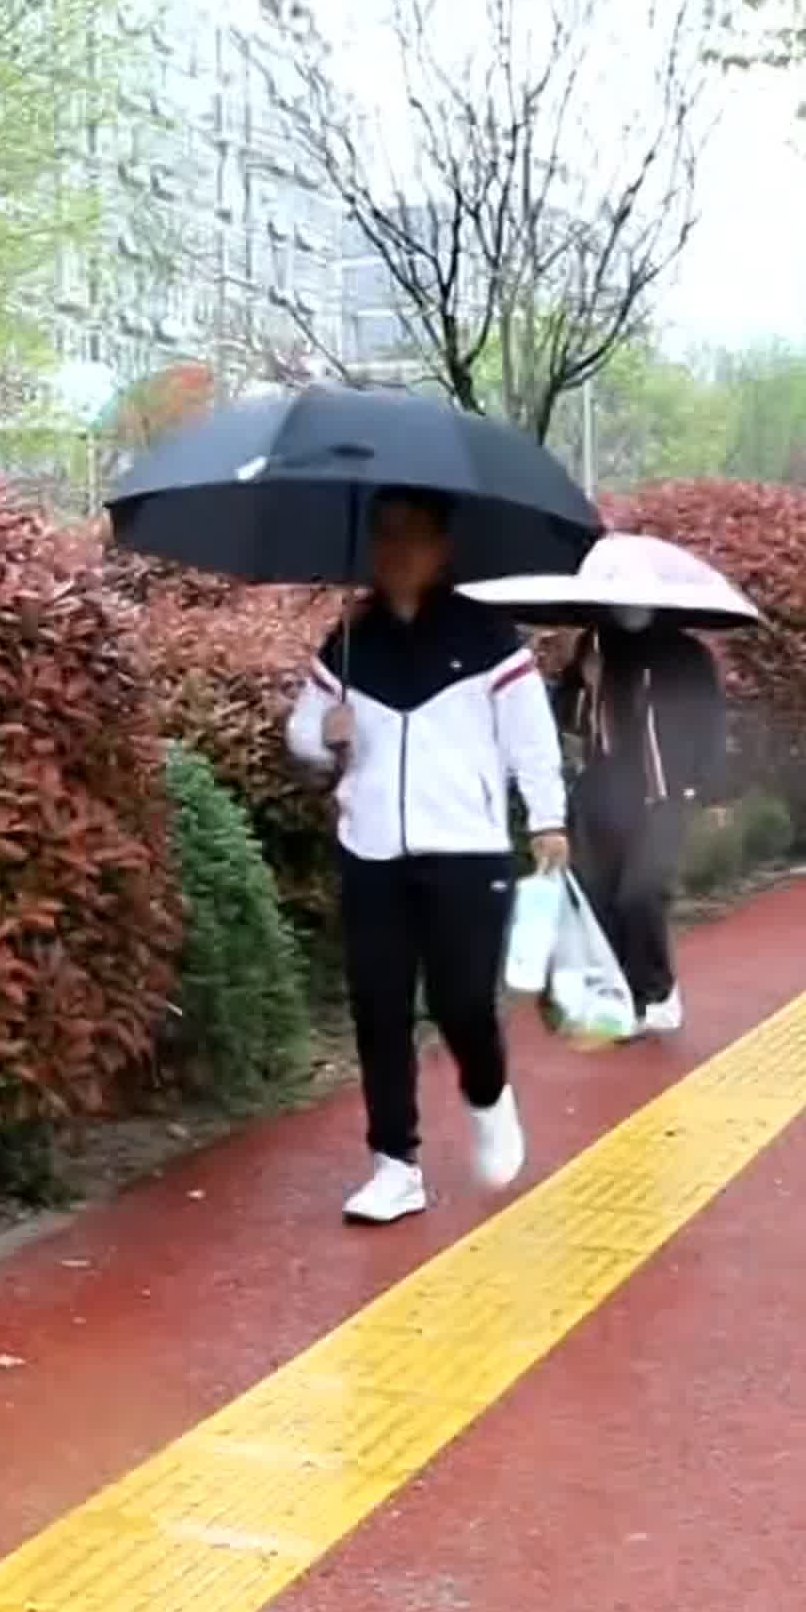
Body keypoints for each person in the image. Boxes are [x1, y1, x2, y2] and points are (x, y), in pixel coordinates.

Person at [286, 488, 570, 1227]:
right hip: (369, 849)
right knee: (378, 1007)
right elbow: (301, 734)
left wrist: (547, 820)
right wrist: (327, 735)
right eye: (384, 535)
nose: (396, 550)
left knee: (462, 1005)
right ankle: (394, 1164)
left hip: (466, 853)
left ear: (443, 547)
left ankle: (488, 1096)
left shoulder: (487, 639)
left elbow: (531, 739)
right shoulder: (350, 643)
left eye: (413, 536)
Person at [550, 607, 726, 1037]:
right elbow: (566, 719)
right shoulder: (594, 647)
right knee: (599, 897)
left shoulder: (686, 654)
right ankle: (625, 996)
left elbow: (710, 725)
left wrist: (711, 791)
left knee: (640, 894)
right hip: (602, 797)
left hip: (662, 794)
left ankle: (659, 992)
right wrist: (584, 684)